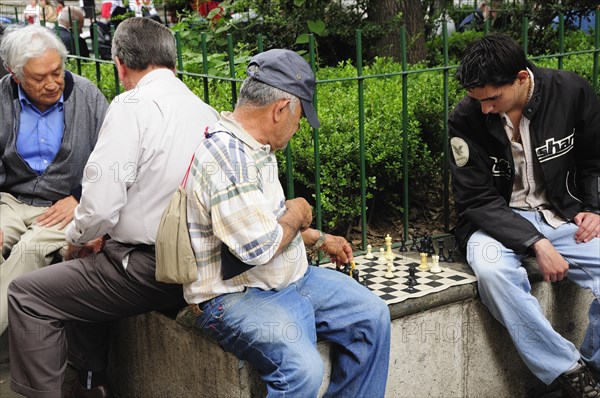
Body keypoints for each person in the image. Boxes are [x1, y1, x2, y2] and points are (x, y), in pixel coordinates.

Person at [7, 17, 219, 397]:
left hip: (151, 268)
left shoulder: (130, 105)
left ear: (120, 64)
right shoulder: (205, 111)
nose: (53, 82)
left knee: (30, 293)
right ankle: (91, 383)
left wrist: (77, 236)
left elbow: (100, 207)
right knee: (76, 271)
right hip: (203, 262)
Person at [183, 48, 391, 397]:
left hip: (291, 278)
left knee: (372, 316)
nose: (298, 129)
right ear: (280, 109)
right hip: (236, 296)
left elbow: (266, 224)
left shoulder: (256, 148)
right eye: (299, 118)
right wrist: (296, 213)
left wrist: (319, 237)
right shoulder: (228, 158)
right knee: (303, 371)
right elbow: (258, 246)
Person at [449, 34, 600, 397]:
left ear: (521, 77)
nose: (484, 108)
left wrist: (594, 207)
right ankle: (568, 372)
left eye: (492, 98)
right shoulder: (466, 118)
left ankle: (594, 372)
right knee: (491, 272)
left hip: (563, 213)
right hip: (496, 222)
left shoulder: (572, 92)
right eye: (477, 100)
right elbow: (475, 198)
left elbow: (594, 161)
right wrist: (535, 242)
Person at [0, 24, 108, 336]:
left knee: (28, 250)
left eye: (56, 71)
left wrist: (79, 195)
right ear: (15, 74)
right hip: (11, 201)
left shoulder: (87, 96)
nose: (52, 83)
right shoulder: (2, 96)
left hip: (64, 206)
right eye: (39, 77)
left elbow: (115, 158)